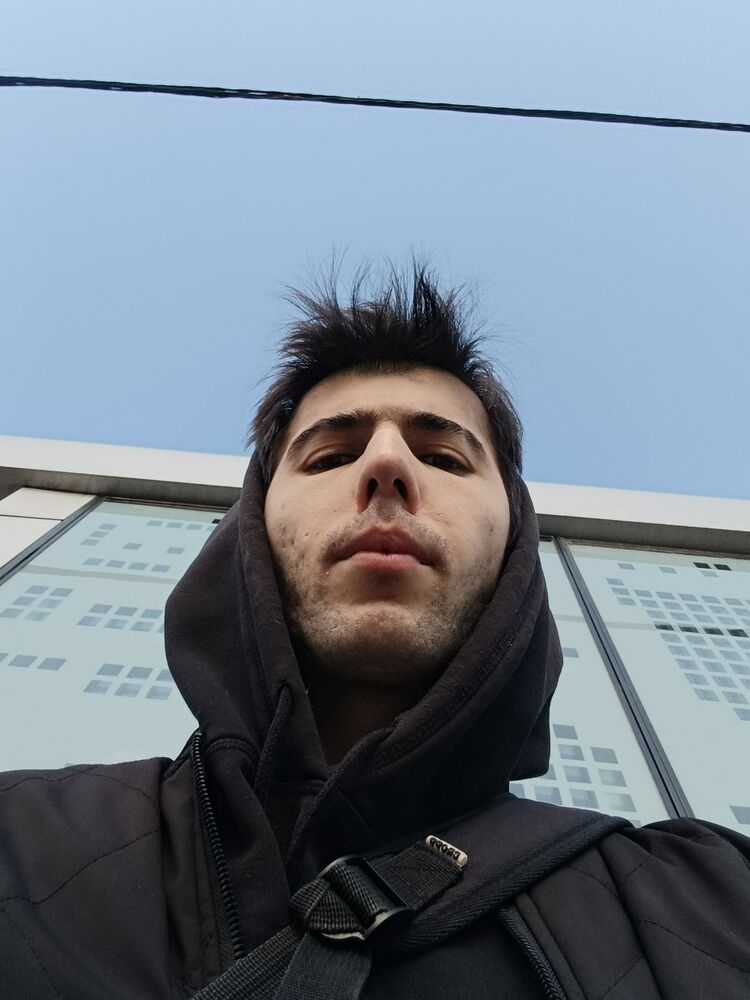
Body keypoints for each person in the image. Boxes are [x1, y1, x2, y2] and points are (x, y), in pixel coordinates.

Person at [1, 264, 749, 1000]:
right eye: (330, 455)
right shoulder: (23, 840)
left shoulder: (710, 898)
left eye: (443, 457)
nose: (386, 465)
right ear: (251, 526)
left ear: (514, 535)